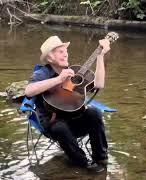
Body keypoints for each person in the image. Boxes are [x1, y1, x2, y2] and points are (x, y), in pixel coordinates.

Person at [24, 35, 111, 172]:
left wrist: (100, 57)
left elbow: (99, 84)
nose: (65, 54)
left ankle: (101, 158)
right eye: (60, 51)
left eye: (66, 51)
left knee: (94, 112)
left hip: (76, 119)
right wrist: (59, 79)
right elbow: (29, 91)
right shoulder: (43, 73)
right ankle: (83, 163)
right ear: (50, 58)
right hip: (54, 124)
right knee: (60, 127)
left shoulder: (74, 71)